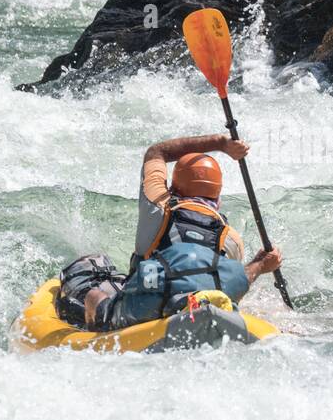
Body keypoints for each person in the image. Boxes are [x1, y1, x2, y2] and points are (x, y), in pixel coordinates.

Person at [65, 134, 283, 330]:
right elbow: (229, 285)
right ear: (218, 196)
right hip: (195, 308)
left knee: (91, 278)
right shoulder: (231, 238)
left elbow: (157, 152)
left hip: (144, 306)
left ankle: (97, 332)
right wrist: (262, 265)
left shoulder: (157, 204)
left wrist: (220, 144)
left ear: (173, 188)